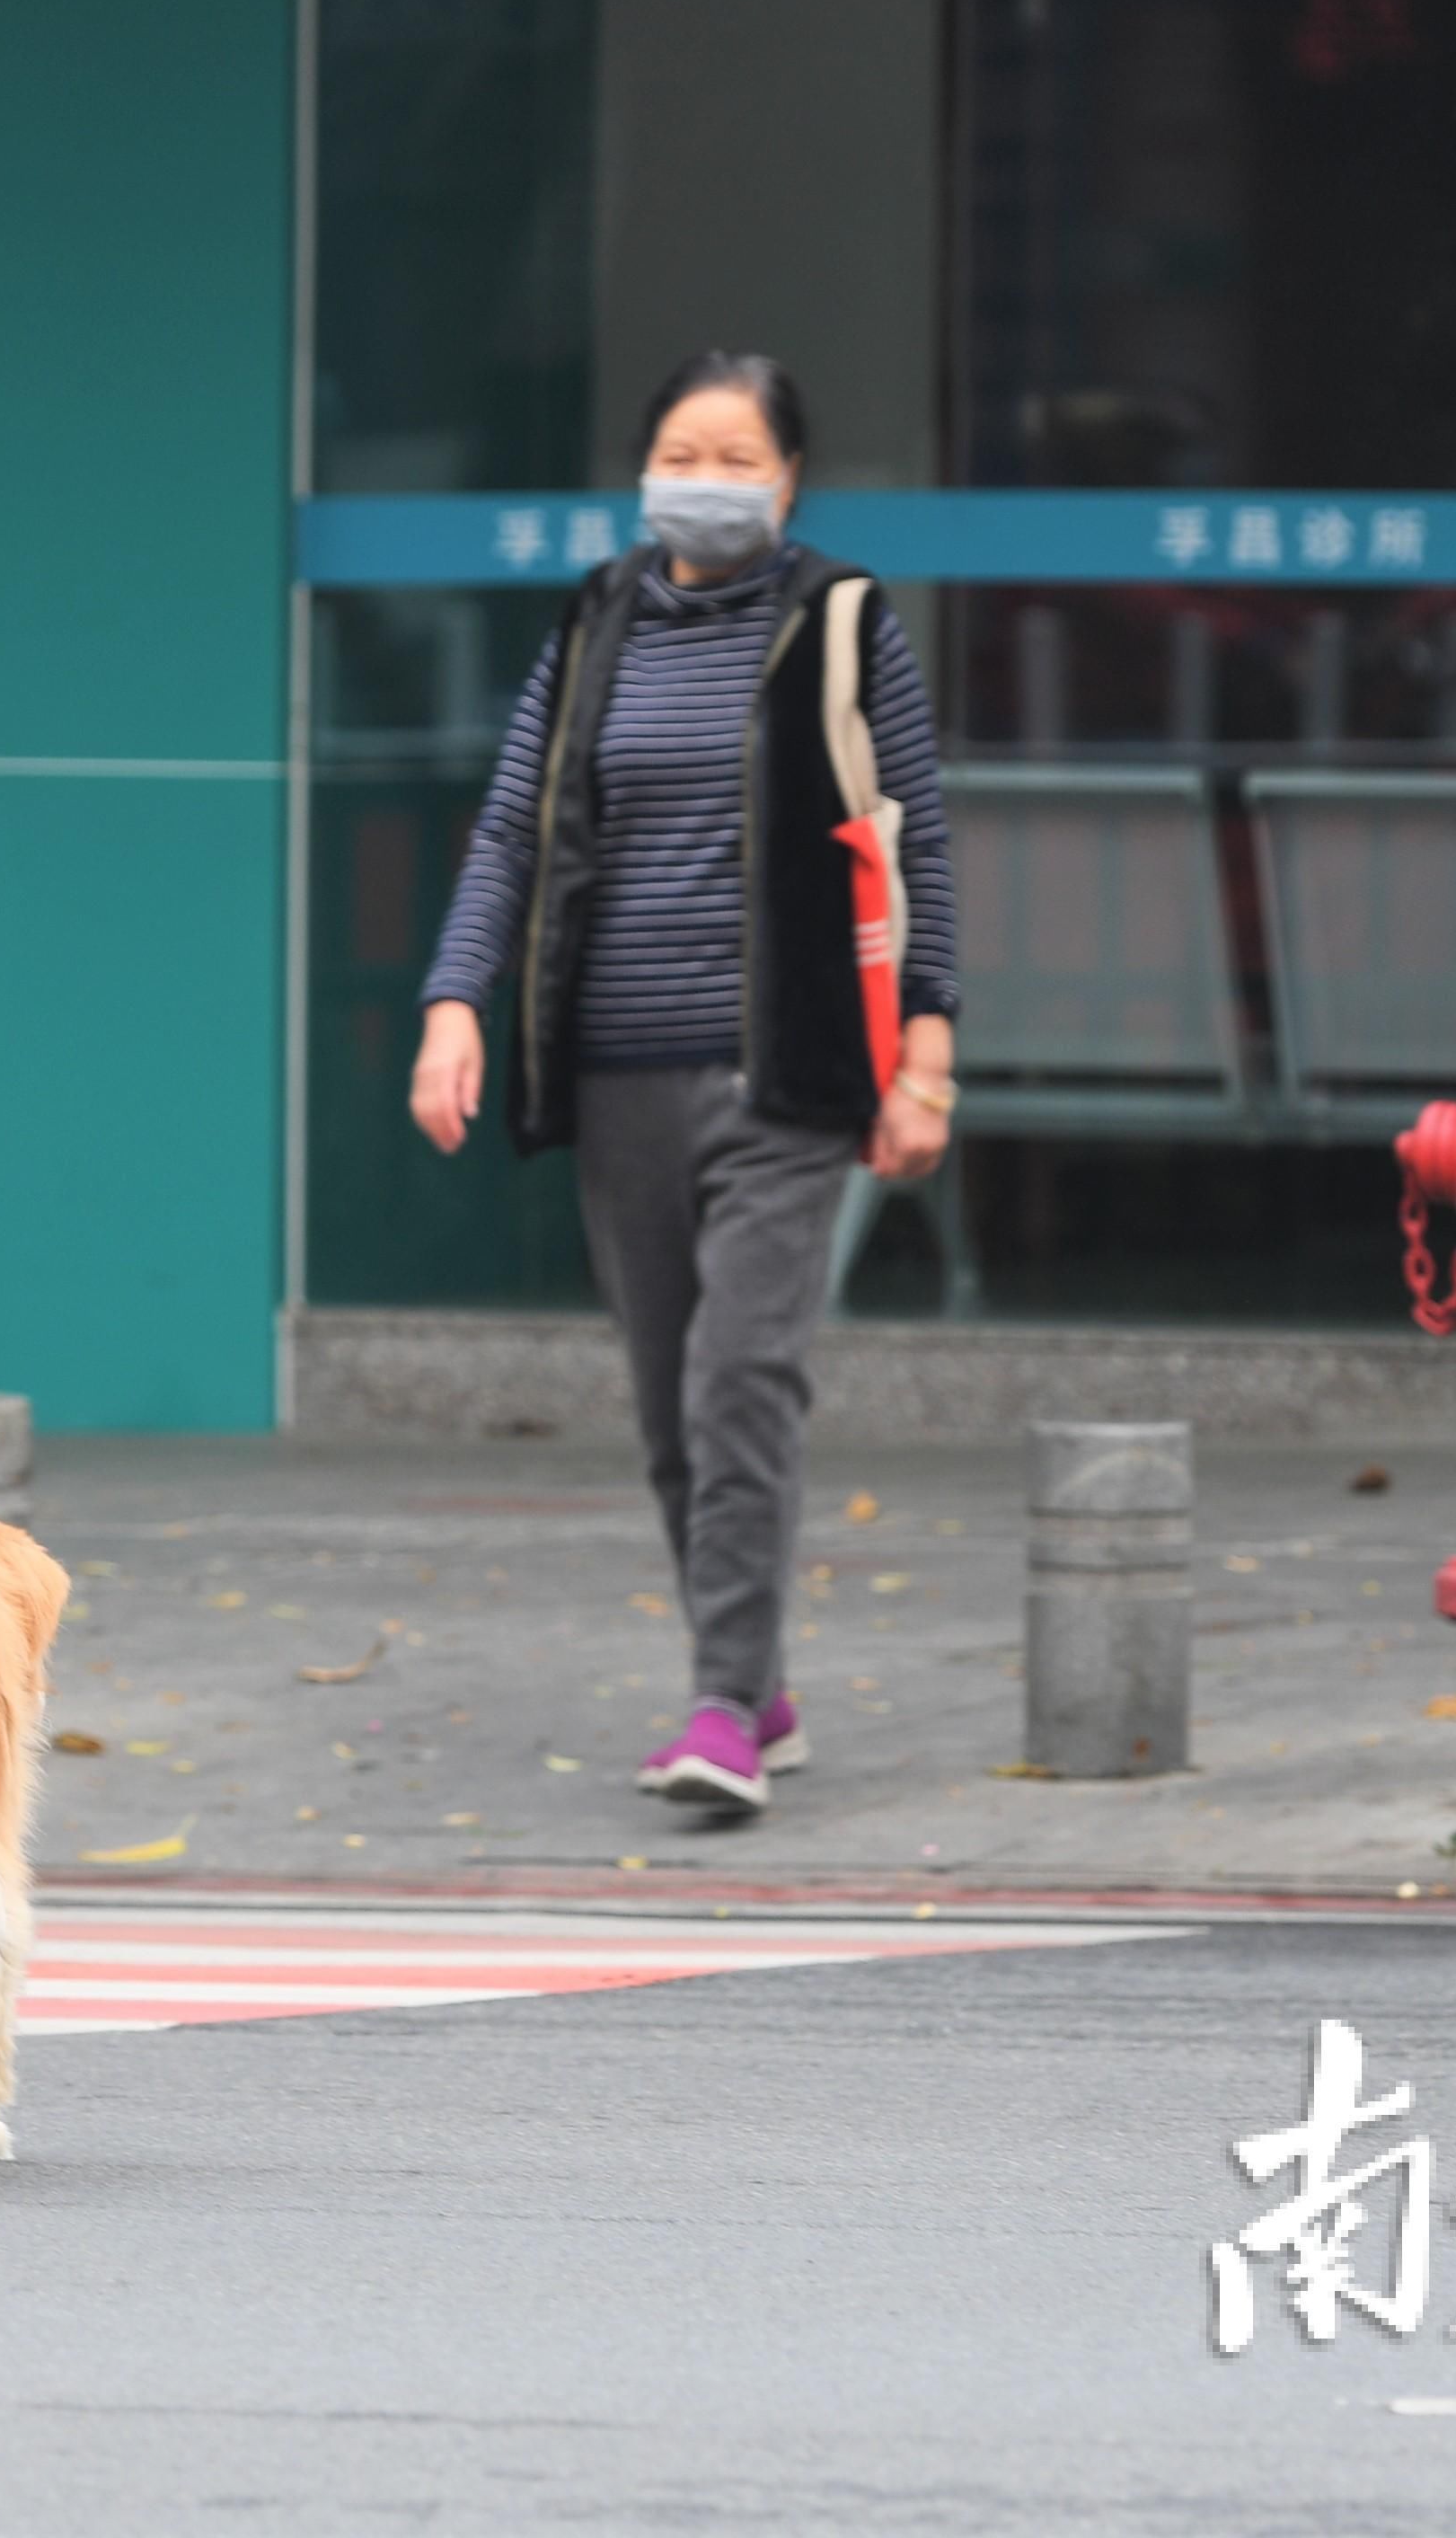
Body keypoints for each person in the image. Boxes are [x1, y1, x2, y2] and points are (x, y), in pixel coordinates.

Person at [407, 351, 959, 1817]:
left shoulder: (839, 622)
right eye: (679, 452)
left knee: (741, 1387)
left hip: (787, 1079)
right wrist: (454, 1003)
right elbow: (511, 833)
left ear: (788, 483)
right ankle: (756, 1677)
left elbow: (915, 846)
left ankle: (720, 1706)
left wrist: (928, 1059)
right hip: (619, 1078)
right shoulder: (594, 625)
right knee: (670, 1409)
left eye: (735, 459)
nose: (702, 481)